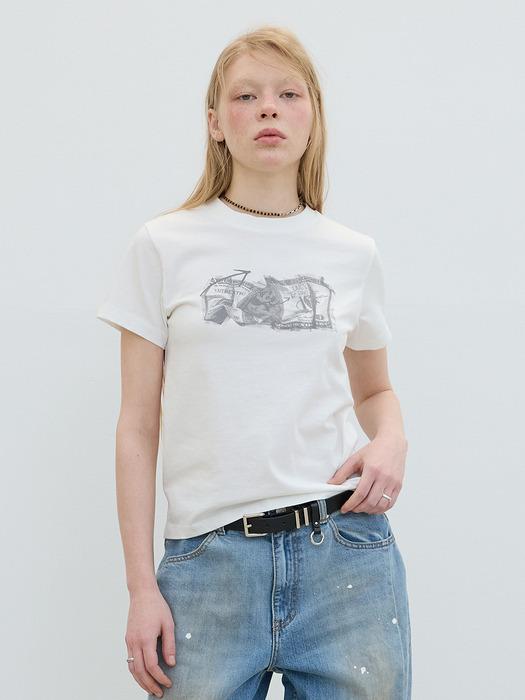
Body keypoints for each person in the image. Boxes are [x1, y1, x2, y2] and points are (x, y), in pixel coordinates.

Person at [96, 24, 412, 700]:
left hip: (346, 557)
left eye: (288, 94)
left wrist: (391, 439)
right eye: (245, 96)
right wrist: (141, 587)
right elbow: (137, 427)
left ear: (312, 117)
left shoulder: (352, 254)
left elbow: (375, 390)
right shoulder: (163, 246)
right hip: (207, 567)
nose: (268, 108)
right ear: (215, 122)